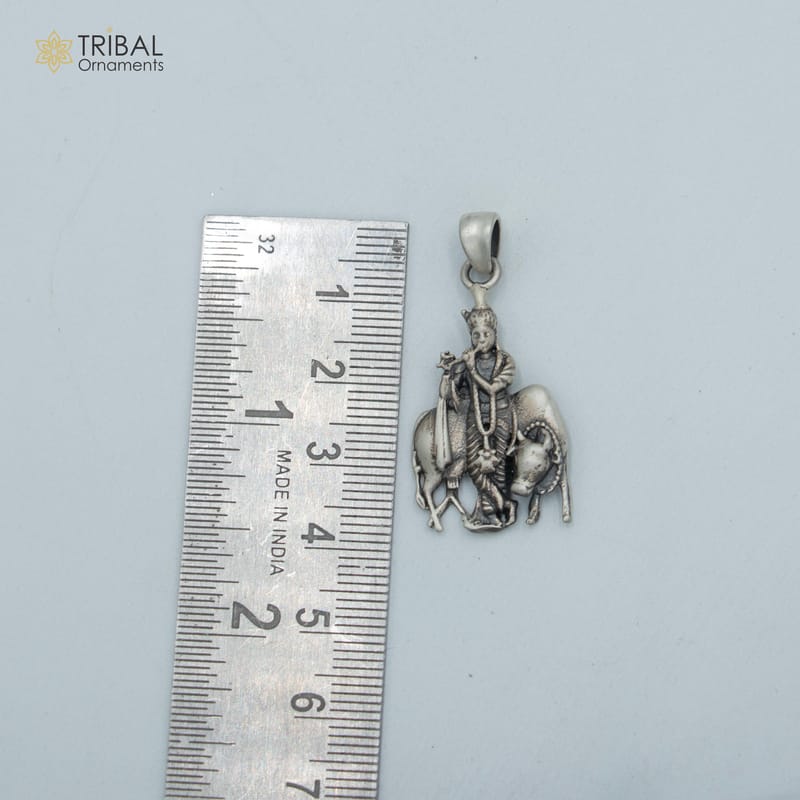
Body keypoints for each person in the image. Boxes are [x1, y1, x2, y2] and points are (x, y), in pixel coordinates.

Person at [442, 305, 517, 530]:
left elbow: (493, 389)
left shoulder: (505, 361)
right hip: (474, 418)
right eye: (476, 335)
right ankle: (503, 504)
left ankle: (491, 514)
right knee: (474, 466)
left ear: (495, 334)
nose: (481, 339)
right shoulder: (466, 363)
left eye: (486, 334)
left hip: (500, 415)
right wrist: (449, 374)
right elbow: (449, 395)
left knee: (498, 466)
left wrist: (472, 370)